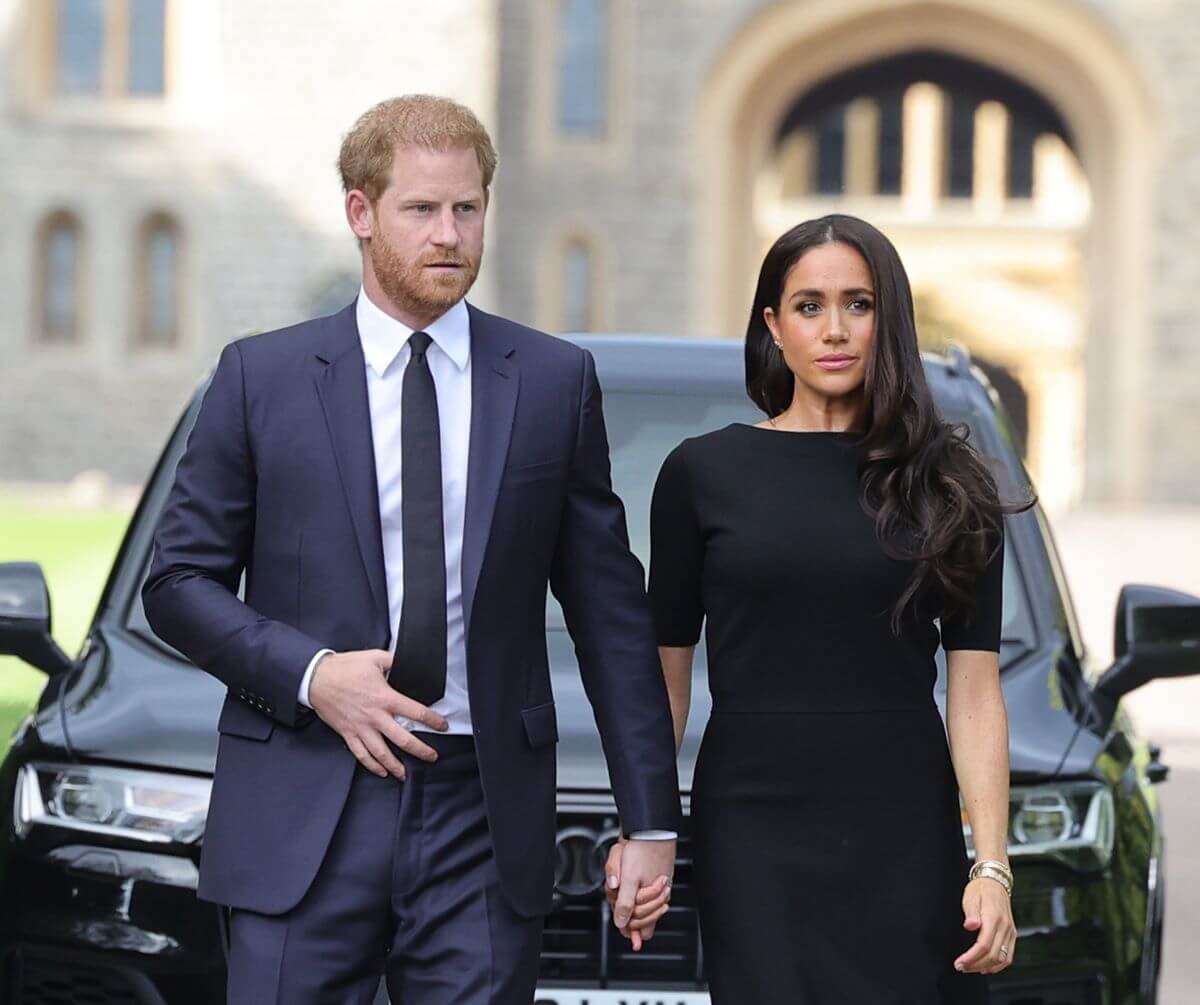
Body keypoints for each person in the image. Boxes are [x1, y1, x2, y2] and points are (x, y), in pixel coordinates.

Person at [142, 94, 680, 1004]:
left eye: (467, 209)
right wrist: (314, 673)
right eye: (421, 210)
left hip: (481, 810)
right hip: (305, 795)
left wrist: (652, 818)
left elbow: (611, 614)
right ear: (361, 212)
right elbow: (179, 582)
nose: (449, 235)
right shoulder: (260, 377)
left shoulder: (553, 383)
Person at [607, 214, 1026, 1002]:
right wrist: (646, 827)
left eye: (858, 303)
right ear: (772, 323)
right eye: (808, 305)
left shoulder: (950, 483)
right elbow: (664, 679)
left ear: (889, 317)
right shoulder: (702, 475)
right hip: (754, 828)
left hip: (904, 828)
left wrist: (992, 866)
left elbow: (974, 691)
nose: (835, 329)